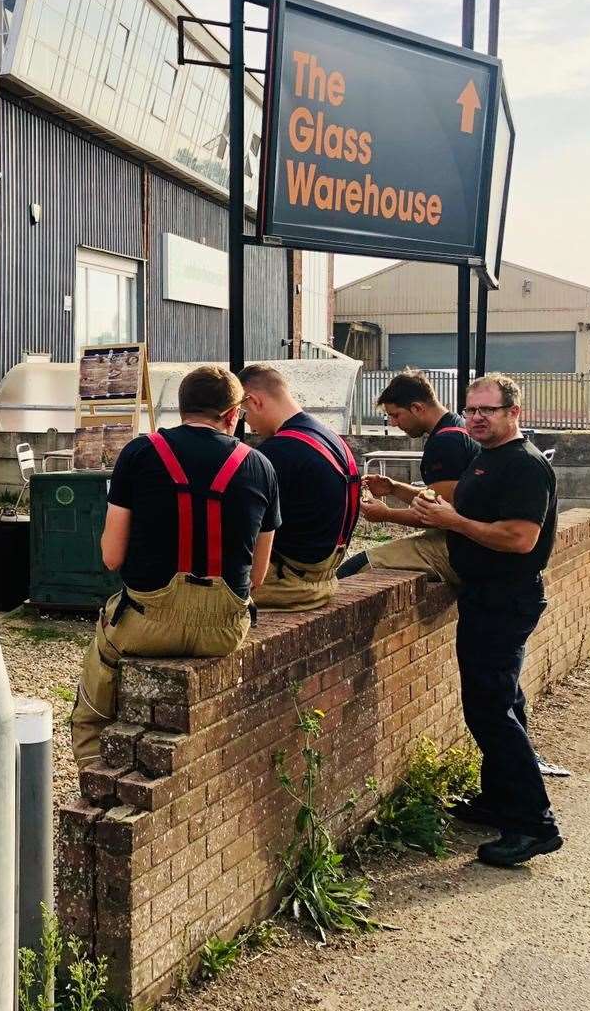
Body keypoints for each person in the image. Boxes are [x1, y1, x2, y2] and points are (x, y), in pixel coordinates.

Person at [70, 364, 280, 770]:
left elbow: (111, 556)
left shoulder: (140, 452)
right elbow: (257, 576)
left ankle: (96, 775)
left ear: (180, 409)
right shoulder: (261, 467)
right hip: (224, 630)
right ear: (233, 414)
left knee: (92, 704)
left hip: (145, 626)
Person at [410, 373, 561, 867]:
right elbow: (471, 513)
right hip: (484, 596)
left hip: (505, 599)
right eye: (471, 409)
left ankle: (533, 824)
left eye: (488, 410)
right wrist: (420, 501)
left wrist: (453, 523)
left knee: (490, 709)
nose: (476, 417)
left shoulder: (524, 465)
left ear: (513, 413)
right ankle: (498, 799)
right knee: (500, 702)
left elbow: (519, 538)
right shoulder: (486, 459)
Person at [337, 369, 479, 586]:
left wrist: (386, 514)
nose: (393, 423)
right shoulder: (457, 426)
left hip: (460, 547)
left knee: (353, 570)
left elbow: (439, 515)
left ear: (417, 408)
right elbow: (444, 499)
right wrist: (394, 488)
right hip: (466, 541)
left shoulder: (445, 443)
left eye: (396, 415)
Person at [239, 364, 361, 612]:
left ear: (254, 401)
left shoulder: (277, 452)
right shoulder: (330, 438)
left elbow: (243, 531)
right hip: (325, 576)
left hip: (290, 584)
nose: (249, 426)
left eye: (244, 414)